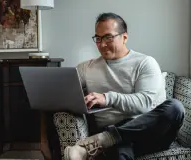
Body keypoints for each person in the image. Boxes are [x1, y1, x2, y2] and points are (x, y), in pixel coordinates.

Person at [64, 12, 185, 160]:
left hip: (149, 134)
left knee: (175, 108)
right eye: (98, 38)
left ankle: (103, 140)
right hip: (116, 138)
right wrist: (43, 140)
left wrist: (107, 98)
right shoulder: (85, 68)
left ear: (125, 37)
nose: (102, 44)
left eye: (108, 37)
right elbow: (58, 97)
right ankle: (109, 139)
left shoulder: (145, 63)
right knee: (120, 151)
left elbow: (144, 104)